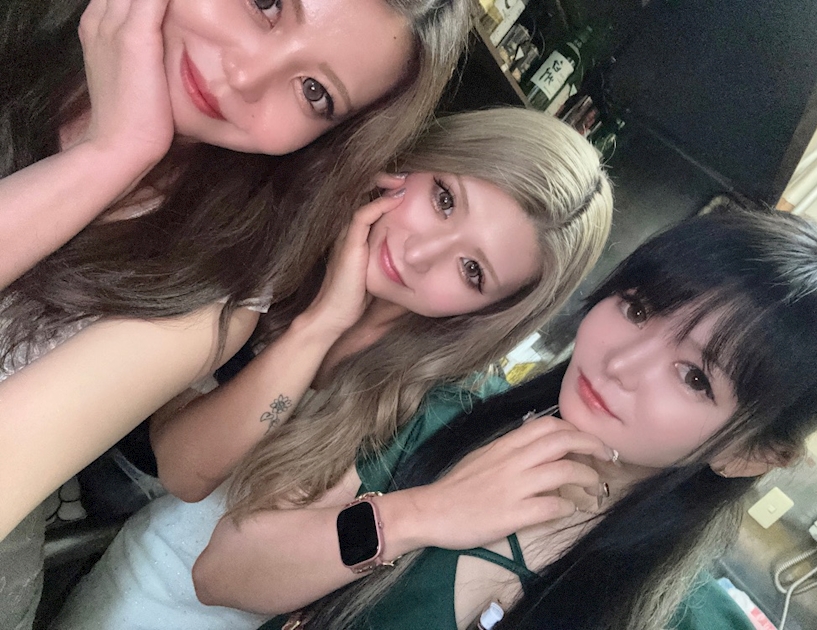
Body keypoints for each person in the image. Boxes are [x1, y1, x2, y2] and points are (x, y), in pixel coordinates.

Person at [48, 108, 614, 630]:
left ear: (489, 313)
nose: (419, 255)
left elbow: (195, 501)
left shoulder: (433, 404)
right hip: (108, 550)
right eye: (444, 199)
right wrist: (319, 324)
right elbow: (181, 462)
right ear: (418, 159)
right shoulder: (277, 229)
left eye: (471, 270)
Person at [0, 1, 471, 627]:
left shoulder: (216, 286)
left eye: (314, 91)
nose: (245, 76)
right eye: (266, 2)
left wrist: (109, 156)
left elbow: (183, 473)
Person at [189, 208, 817, 630]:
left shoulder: (686, 619)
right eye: (638, 308)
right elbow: (221, 572)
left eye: (695, 376)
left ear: (752, 454)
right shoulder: (440, 412)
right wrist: (421, 514)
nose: (620, 362)